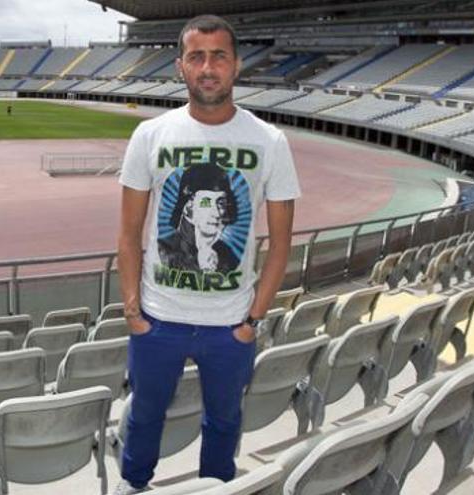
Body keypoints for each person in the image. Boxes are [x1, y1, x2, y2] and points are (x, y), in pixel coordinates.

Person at [115, 14, 300, 495]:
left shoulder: (270, 142)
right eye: (197, 56)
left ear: (236, 65)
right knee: (143, 418)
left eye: (219, 55)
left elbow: (281, 243)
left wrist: (252, 321)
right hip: (158, 319)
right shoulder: (151, 136)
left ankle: (217, 488)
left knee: (223, 423)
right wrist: (133, 311)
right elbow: (129, 232)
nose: (208, 67)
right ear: (181, 66)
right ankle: (135, 486)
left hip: (230, 324)